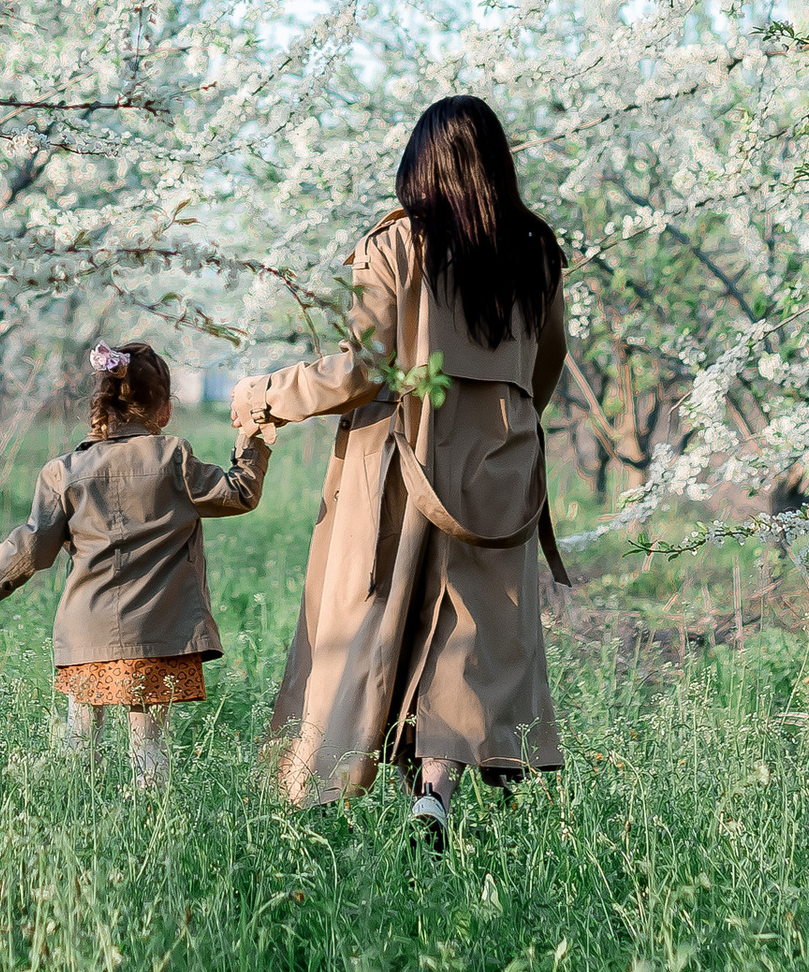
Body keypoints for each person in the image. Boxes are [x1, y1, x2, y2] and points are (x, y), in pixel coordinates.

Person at [230, 93, 569, 847]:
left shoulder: (396, 246)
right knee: (467, 630)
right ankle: (436, 791)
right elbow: (546, 366)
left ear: (421, 164)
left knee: (372, 618)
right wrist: (505, 428)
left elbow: (364, 368)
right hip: (500, 470)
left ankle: (332, 781)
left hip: (404, 461)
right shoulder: (537, 253)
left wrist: (266, 396)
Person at [0, 339, 269, 784]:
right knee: (149, 747)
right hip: (155, 632)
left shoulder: (64, 471)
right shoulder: (174, 458)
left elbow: (34, 543)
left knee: (79, 744)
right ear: (164, 409)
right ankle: (148, 828)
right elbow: (238, 493)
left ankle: (77, 818)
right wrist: (251, 435)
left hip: (87, 631)